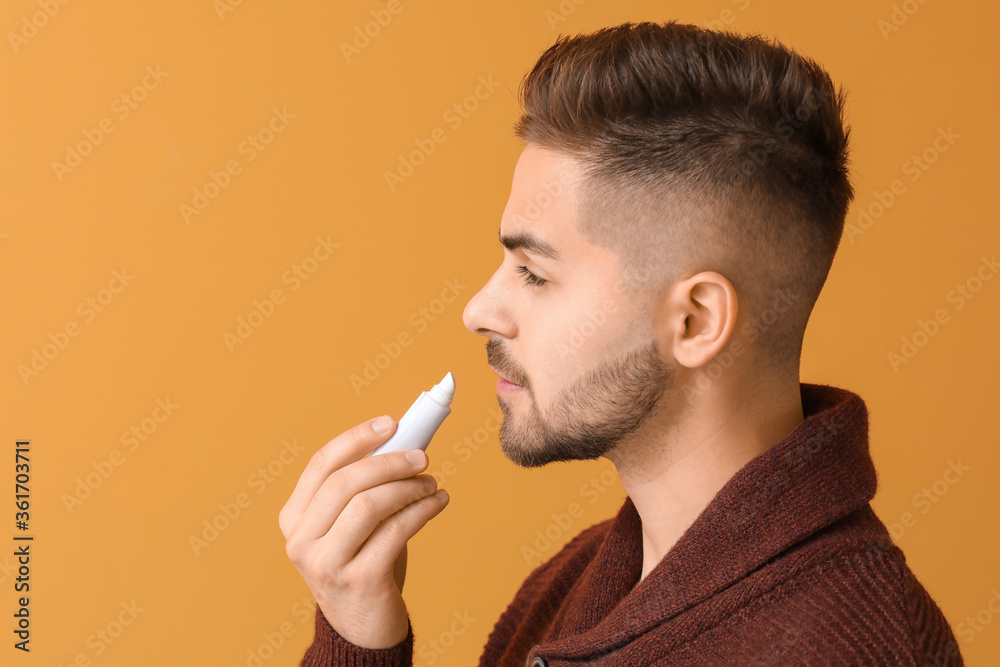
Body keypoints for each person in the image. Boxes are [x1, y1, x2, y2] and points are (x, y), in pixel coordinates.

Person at [280, 20, 963, 666]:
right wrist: (356, 632)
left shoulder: (852, 648)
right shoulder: (575, 584)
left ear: (695, 321)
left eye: (534, 273)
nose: (479, 310)